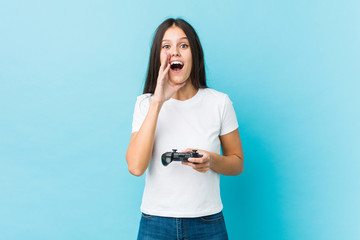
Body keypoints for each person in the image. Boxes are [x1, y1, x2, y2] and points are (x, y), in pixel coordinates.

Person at [126, 18, 244, 240]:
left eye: (183, 45)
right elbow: (135, 166)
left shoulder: (219, 102)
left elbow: (237, 163)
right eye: (166, 46)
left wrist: (211, 161)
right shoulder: (145, 104)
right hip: (156, 222)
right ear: (158, 57)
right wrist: (157, 103)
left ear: (194, 54)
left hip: (207, 222)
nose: (175, 53)